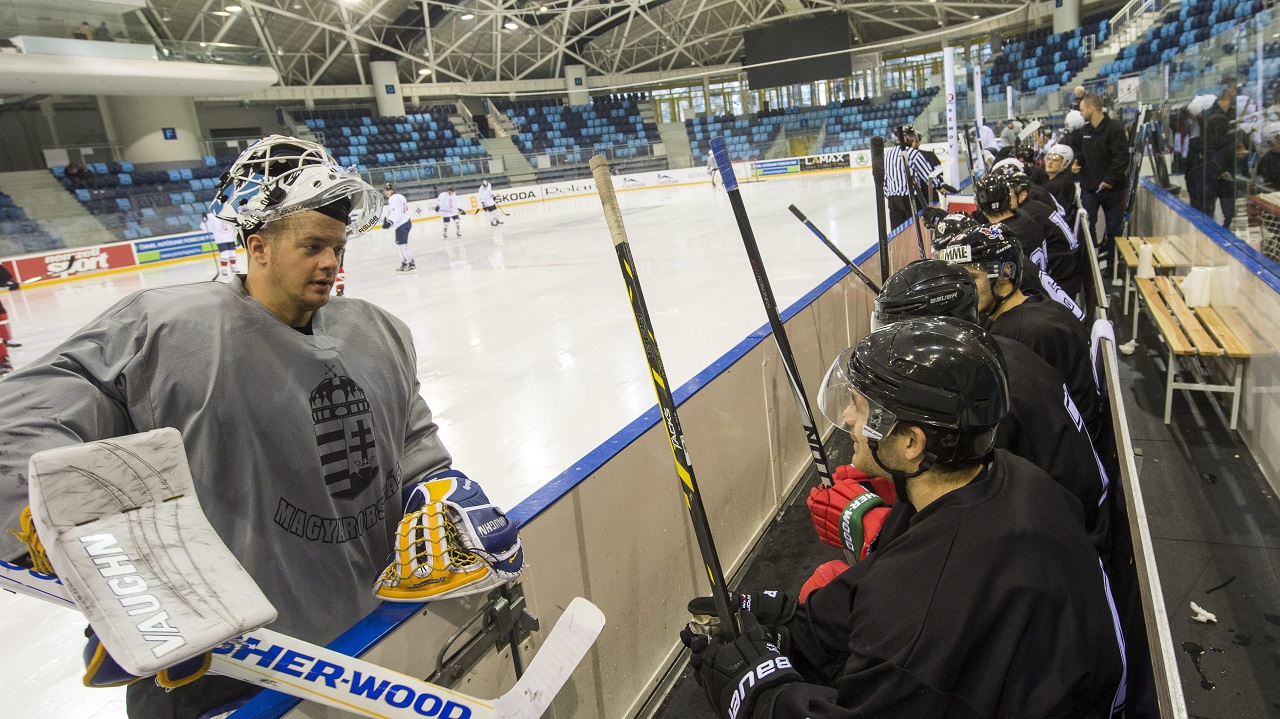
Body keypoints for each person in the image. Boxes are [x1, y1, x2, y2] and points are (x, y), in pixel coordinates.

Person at [0, 136, 524, 718]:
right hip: (220, 666)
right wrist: (70, 533)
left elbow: (415, 451)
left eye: (337, 246)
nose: (331, 262)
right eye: (312, 246)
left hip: (366, 648)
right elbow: (18, 419)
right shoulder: (166, 332)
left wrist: (437, 491)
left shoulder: (381, 332)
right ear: (259, 248)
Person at [681, 317, 1125, 719]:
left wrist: (757, 694)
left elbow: (908, 618)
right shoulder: (1003, 475)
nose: (849, 421)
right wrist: (785, 626)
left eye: (860, 407)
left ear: (912, 442)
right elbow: (875, 583)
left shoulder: (926, 607)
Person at [867, 260, 1112, 556]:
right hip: (1074, 517)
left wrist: (878, 534)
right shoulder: (1001, 354)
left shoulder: (978, 400)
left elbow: (959, 521)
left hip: (1074, 543)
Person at [937, 225, 1102, 444]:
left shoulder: (1024, 335)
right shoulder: (1033, 305)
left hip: (1068, 456)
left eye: (971, 279)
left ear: (1005, 274)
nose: (960, 290)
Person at [1076, 94, 1130, 271]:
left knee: (1114, 226)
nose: (1081, 113)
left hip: (1112, 189)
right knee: (1087, 225)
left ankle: (1114, 265)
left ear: (1091, 109)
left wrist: (1109, 180)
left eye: (1082, 109)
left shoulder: (1115, 129)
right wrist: (1078, 164)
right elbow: (1082, 155)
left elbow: (1121, 158)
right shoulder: (1084, 131)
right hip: (1089, 188)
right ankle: (1092, 262)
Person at [883, 125, 939, 230]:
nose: (913, 138)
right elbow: (929, 176)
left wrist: (888, 194)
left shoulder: (887, 155)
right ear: (904, 137)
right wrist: (939, 185)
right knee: (916, 229)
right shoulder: (913, 154)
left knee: (897, 231)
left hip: (893, 200)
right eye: (911, 135)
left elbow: (884, 180)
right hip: (910, 198)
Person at [381, 182, 414, 271]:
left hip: (401, 224)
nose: (386, 192)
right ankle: (405, 263)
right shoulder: (400, 196)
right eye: (386, 190)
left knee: (403, 245)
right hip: (405, 222)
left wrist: (389, 222)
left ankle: (410, 263)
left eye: (388, 190)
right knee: (400, 245)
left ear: (393, 190)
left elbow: (397, 213)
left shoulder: (393, 199)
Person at [201, 209, 240, 279]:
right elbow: (204, 227)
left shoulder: (229, 213)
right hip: (221, 239)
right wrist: (205, 219)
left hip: (231, 238)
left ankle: (234, 267)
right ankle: (224, 269)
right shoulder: (212, 216)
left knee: (232, 253)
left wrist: (237, 238)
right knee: (225, 253)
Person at [1043, 143, 1079, 216]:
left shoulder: (1058, 184)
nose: (1050, 162)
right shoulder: (1064, 178)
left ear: (1065, 164)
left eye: (1055, 160)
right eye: (1048, 159)